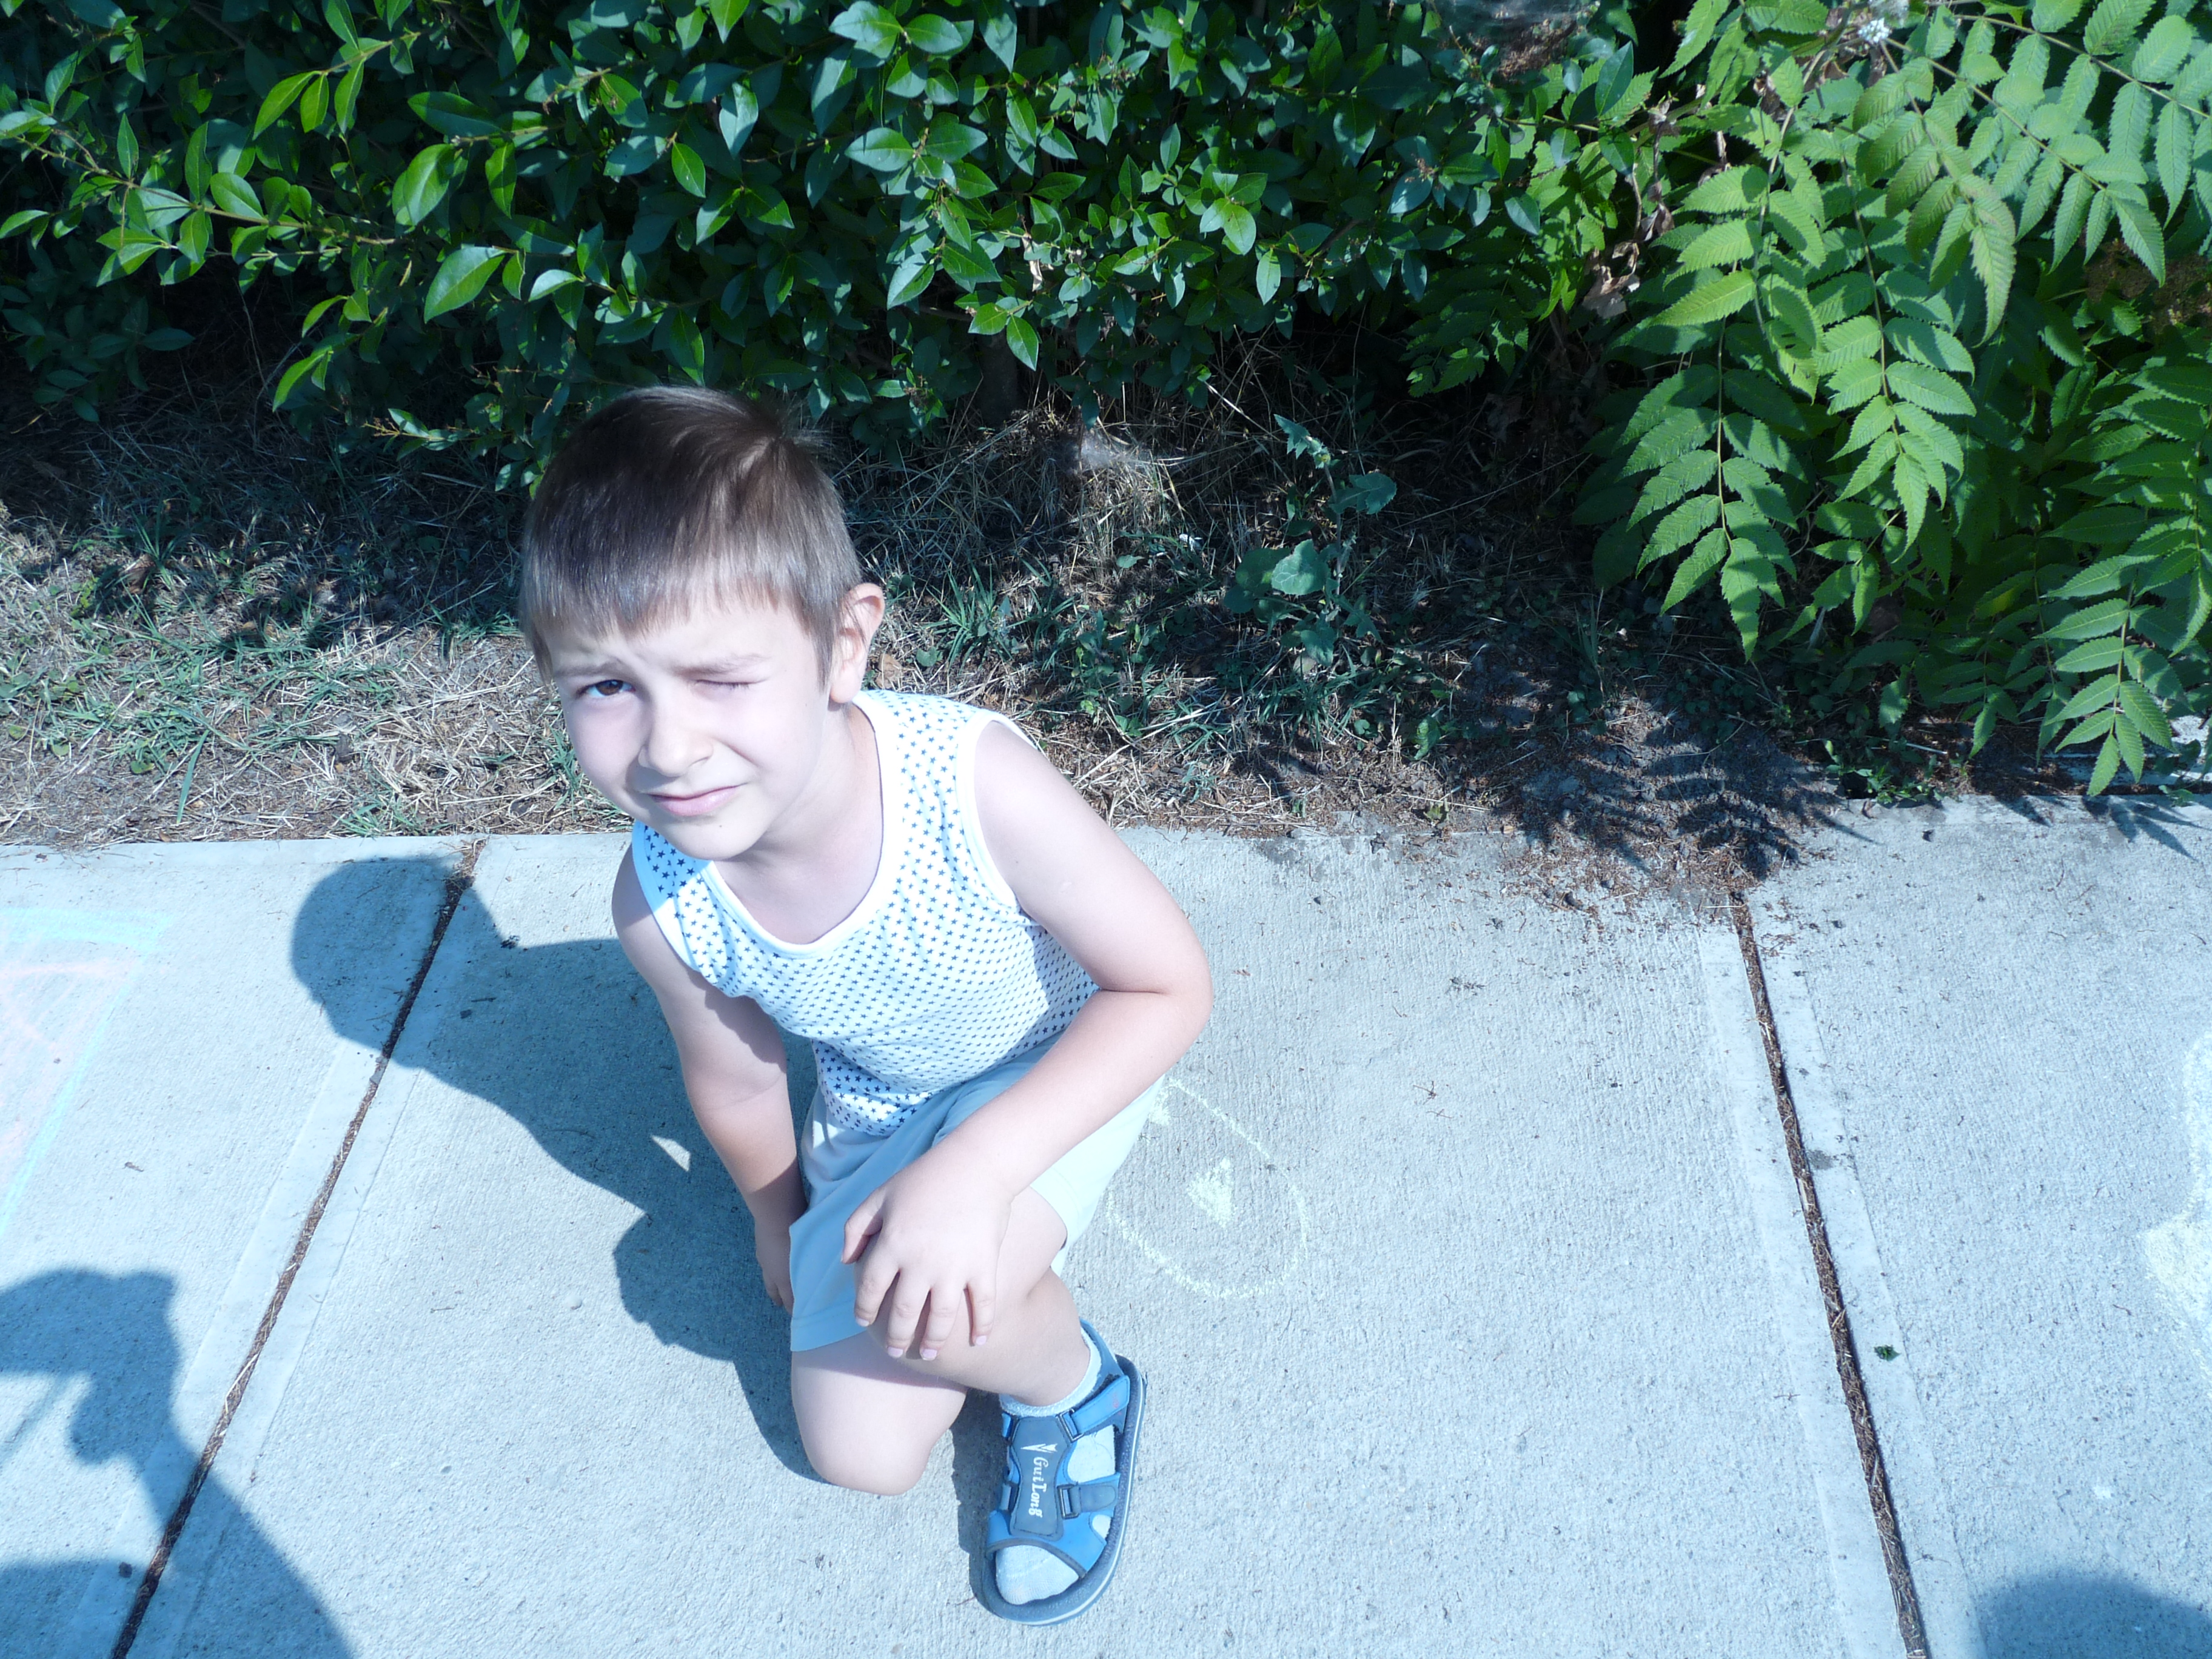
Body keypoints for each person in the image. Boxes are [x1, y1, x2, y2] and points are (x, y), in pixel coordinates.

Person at [517, 386, 1212, 1624]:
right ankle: (984, 1274)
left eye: (721, 677)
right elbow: (736, 1083)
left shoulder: (970, 785)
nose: (668, 747)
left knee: (946, 1297)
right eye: (606, 686)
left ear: (844, 645)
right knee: (861, 1454)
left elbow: (1166, 984)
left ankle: (1072, 1388)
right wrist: (776, 1221)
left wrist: (977, 1171)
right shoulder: (663, 902)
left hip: (1058, 1063)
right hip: (883, 1108)